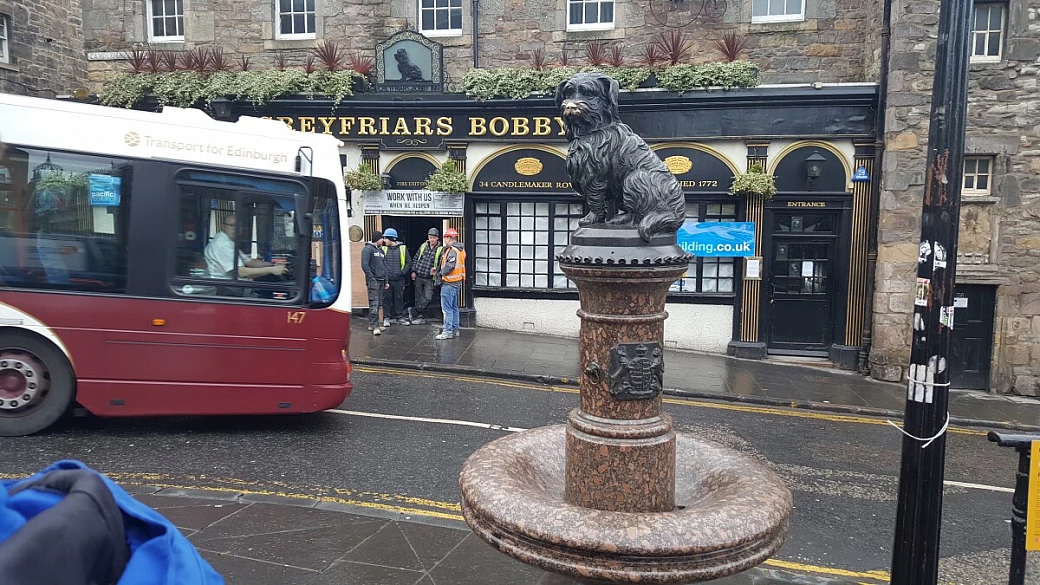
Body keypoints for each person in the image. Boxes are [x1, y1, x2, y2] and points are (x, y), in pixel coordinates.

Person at [204, 214, 286, 280]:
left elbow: (251, 262)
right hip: (226, 290)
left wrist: (273, 265)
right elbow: (241, 272)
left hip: (233, 287)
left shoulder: (229, 242)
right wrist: (272, 270)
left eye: (239, 226)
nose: (236, 229)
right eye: (232, 225)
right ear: (223, 227)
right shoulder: (223, 245)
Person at [408, 227, 443, 326]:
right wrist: (413, 271)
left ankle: (413, 311)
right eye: (430, 237)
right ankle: (418, 316)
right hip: (419, 275)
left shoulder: (440, 250)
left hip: (430, 278)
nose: (432, 239)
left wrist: (436, 271)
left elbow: (441, 264)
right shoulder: (423, 246)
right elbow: (415, 259)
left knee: (427, 297)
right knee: (418, 297)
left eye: (434, 237)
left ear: (437, 238)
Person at [435, 228, 465, 340]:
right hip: (457, 282)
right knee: (454, 307)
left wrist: (439, 273)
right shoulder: (460, 250)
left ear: (449, 238)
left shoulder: (452, 250)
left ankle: (447, 331)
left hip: (449, 283)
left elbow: (450, 266)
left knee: (447, 309)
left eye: (445, 237)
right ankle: (455, 329)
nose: (445, 240)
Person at [381, 227, 412, 327]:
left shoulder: (402, 249)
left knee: (399, 299)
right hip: (387, 279)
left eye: (385, 238)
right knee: (386, 299)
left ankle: (400, 317)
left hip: (399, 279)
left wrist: (402, 273)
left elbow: (409, 262)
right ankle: (386, 317)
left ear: (391, 239)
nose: (384, 240)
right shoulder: (383, 249)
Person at [360, 229, 388, 335]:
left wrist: (386, 281)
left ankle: (372, 324)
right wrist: (371, 278)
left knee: (379, 304)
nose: (383, 241)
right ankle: (375, 326)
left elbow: (384, 267)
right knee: (374, 303)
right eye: (382, 238)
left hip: (381, 280)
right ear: (378, 239)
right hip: (374, 281)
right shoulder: (367, 249)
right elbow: (364, 265)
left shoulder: (381, 251)